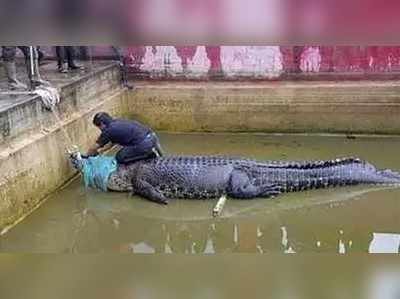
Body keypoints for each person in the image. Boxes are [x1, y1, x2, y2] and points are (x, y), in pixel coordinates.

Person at [85, 112, 163, 165]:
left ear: (102, 124)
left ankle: (149, 155)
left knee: (120, 158)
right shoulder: (117, 122)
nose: (99, 129)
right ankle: (150, 154)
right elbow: (113, 143)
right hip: (152, 138)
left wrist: (86, 156)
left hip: (144, 144)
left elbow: (94, 147)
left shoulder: (108, 131)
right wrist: (101, 151)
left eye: (98, 127)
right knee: (126, 151)